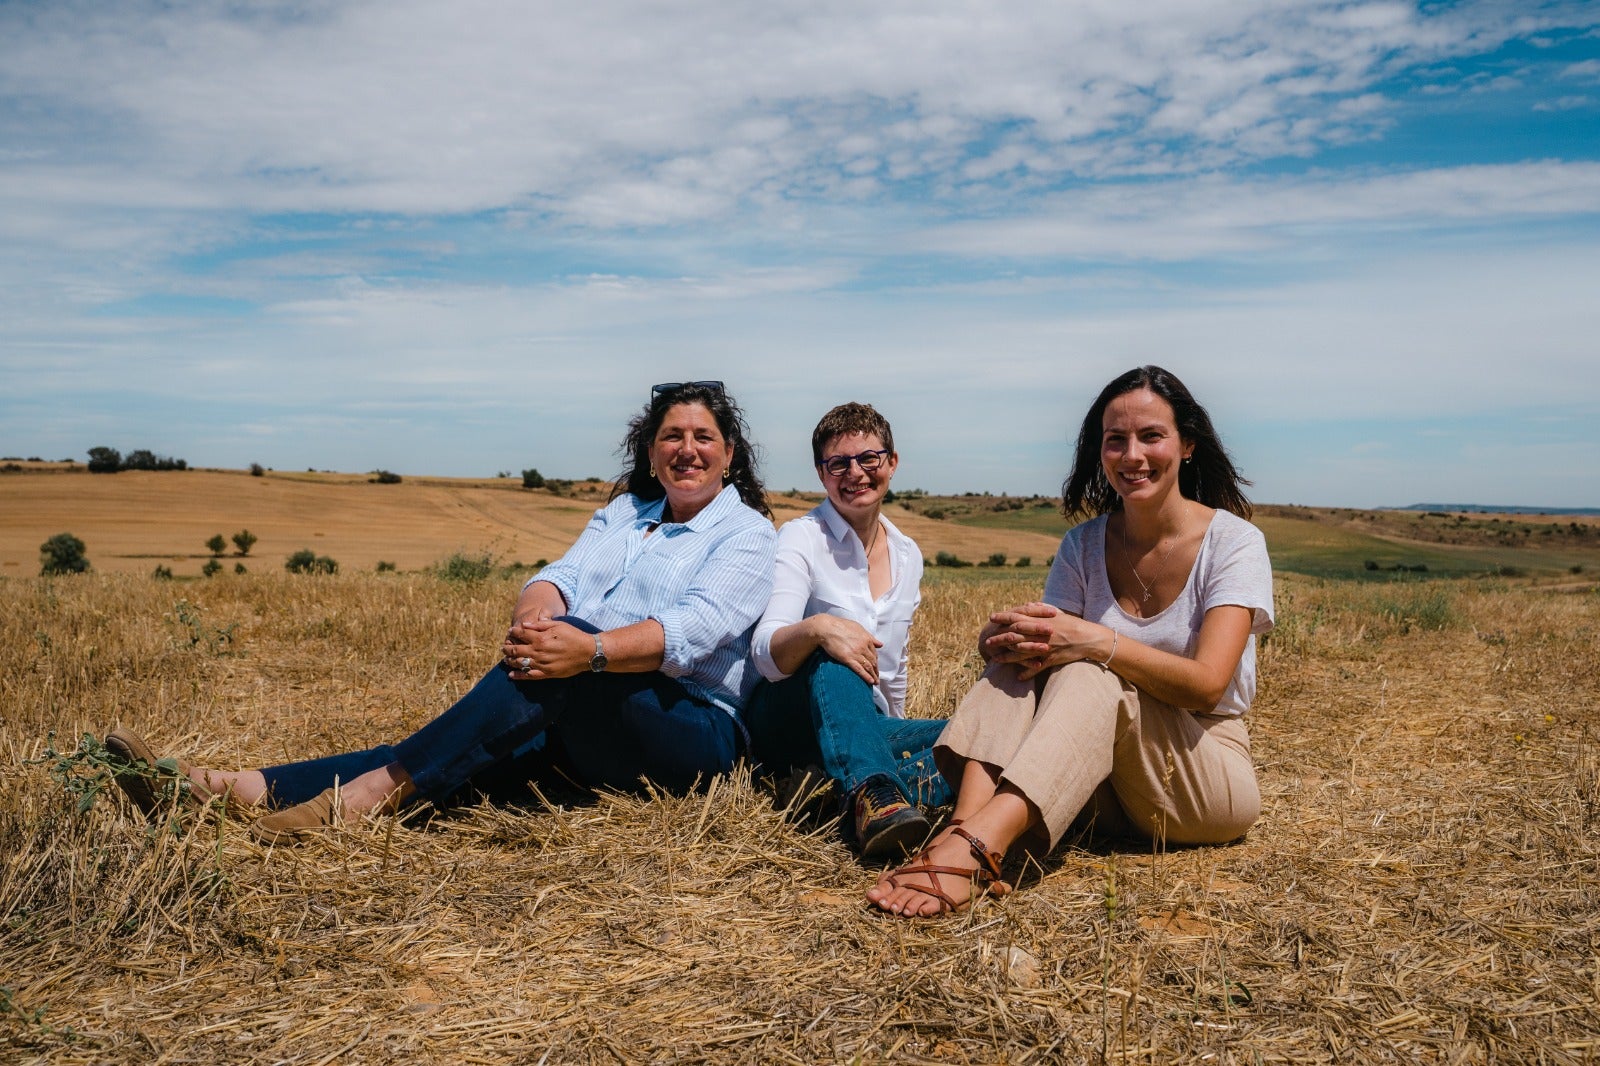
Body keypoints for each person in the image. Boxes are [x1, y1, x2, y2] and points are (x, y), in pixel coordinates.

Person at [105, 381, 778, 844]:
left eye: (702, 436)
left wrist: (586, 650)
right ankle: (226, 790)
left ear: (729, 452)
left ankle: (360, 803)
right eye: (671, 436)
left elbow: (692, 631)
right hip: (581, 707)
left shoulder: (746, 534)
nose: (686, 449)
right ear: (652, 450)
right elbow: (560, 578)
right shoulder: (625, 513)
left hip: (687, 737)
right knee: (451, 759)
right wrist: (536, 618)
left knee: (552, 662)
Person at [868, 366, 1273, 916]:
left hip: (1198, 777)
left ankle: (978, 846)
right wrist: (1005, 641)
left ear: (1188, 445)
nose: (1132, 455)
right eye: (1116, 440)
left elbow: (1208, 686)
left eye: (1151, 436)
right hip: (1099, 787)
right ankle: (965, 826)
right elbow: (1048, 652)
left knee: (1087, 668)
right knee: (1026, 660)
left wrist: (1096, 640)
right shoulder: (1083, 545)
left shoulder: (1234, 544)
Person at [744, 403, 950, 861]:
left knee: (973, 736)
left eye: (868, 459)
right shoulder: (801, 537)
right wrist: (820, 629)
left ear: (892, 463)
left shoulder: (908, 553)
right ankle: (874, 791)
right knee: (834, 656)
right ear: (822, 474)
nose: (855, 472)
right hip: (789, 718)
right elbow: (763, 653)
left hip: (860, 725)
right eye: (838, 463)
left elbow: (894, 668)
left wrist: (888, 729)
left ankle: (849, 796)